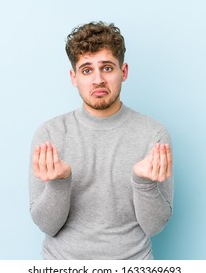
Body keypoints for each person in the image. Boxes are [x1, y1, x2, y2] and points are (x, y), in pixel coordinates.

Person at [29, 21, 174, 260]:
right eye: (87, 70)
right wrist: (59, 182)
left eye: (107, 68)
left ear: (123, 72)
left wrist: (143, 182)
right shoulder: (49, 135)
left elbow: (154, 226)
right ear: (73, 77)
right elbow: (47, 226)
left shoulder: (154, 135)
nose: (98, 80)